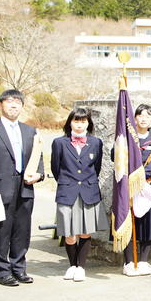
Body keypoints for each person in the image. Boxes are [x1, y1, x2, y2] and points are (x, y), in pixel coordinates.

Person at [0, 89, 44, 286]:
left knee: (22, 230)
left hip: (25, 187)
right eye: (9, 101)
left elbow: (37, 157)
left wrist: (39, 174)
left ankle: (19, 268)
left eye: (17, 102)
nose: (13, 105)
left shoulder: (30, 131)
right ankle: (3, 271)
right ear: (0, 105)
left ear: (22, 106)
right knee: (1, 231)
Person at [52, 108, 107, 282]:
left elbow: (96, 167)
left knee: (85, 231)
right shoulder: (59, 143)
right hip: (67, 191)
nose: (79, 125)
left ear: (88, 123)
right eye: (76, 121)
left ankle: (81, 267)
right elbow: (55, 168)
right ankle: (72, 265)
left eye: (83, 121)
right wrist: (68, 182)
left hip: (88, 191)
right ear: (70, 122)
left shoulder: (96, 142)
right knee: (69, 232)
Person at [119, 104, 151, 277]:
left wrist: (140, 178)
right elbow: (116, 156)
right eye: (140, 115)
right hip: (127, 186)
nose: (144, 119)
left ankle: (143, 260)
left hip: (147, 185)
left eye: (148, 115)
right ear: (134, 118)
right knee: (128, 224)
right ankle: (129, 261)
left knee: (148, 223)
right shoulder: (127, 137)